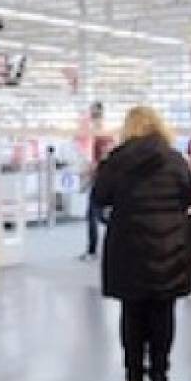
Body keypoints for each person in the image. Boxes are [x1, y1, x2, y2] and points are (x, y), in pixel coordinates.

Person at [91, 106, 191, 381]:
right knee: (163, 311)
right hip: (170, 245)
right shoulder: (175, 160)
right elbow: (190, 197)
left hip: (129, 245)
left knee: (132, 312)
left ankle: (134, 374)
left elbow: (99, 197)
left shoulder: (117, 161)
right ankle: (160, 374)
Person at [79, 101, 111, 262]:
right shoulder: (102, 133)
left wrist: (91, 173)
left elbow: (102, 158)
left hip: (100, 178)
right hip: (102, 177)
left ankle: (92, 250)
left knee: (94, 214)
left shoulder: (101, 134)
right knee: (96, 214)